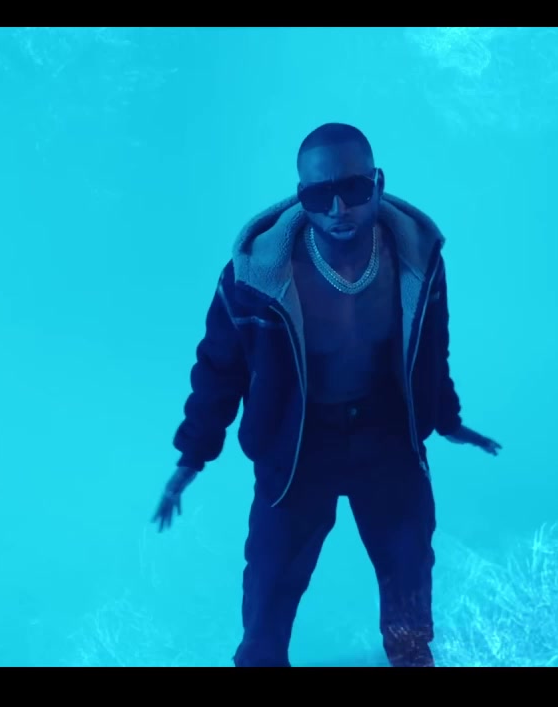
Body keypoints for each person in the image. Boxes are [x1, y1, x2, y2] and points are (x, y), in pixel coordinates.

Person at [153, 122, 501, 668]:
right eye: (319, 195)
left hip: (386, 437)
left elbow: (433, 343)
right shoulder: (254, 276)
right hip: (297, 447)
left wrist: (446, 416)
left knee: (408, 569)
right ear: (301, 196)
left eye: (353, 189)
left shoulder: (418, 256)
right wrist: (191, 456)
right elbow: (219, 368)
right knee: (269, 586)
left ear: (378, 183)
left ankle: (410, 659)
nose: (338, 209)